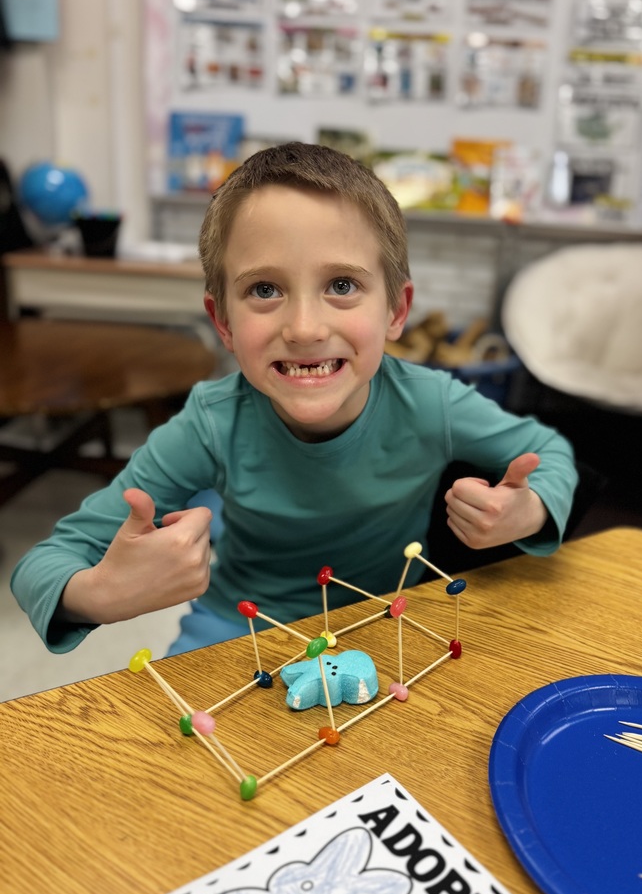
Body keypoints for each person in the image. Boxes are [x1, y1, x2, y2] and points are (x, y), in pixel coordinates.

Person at [12, 142, 578, 657]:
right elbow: (41, 565)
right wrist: (97, 594)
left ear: (397, 311)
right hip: (239, 626)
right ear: (223, 322)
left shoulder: (434, 403)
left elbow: (550, 454)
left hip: (388, 619)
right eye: (264, 289)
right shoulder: (211, 424)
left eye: (341, 285)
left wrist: (528, 512)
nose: (305, 328)